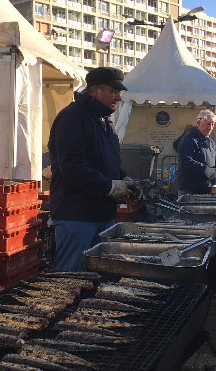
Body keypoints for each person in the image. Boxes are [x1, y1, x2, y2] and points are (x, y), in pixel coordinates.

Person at [47, 67, 138, 271]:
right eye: (113, 92)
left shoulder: (105, 121)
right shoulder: (72, 118)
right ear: (95, 90)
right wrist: (109, 187)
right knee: (70, 277)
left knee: (97, 275)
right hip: (76, 215)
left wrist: (124, 179)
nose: (118, 97)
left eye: (120, 92)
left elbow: (108, 163)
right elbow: (72, 168)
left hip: (102, 214)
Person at [176, 109, 216, 196]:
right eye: (208, 124)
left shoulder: (210, 142)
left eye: (213, 124)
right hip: (189, 189)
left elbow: (212, 158)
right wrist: (205, 169)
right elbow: (185, 162)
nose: (210, 127)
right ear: (198, 123)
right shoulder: (189, 139)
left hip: (205, 187)